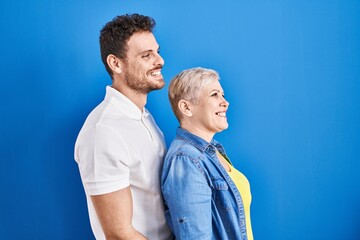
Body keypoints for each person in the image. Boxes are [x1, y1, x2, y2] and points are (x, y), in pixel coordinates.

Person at [74, 14, 173, 240]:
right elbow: (119, 234)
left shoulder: (143, 117)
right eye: (146, 56)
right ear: (115, 63)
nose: (160, 61)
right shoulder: (103, 131)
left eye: (157, 52)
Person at [161, 67, 254, 240]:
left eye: (222, 94)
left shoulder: (212, 150)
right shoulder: (186, 160)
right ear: (186, 107)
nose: (225, 102)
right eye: (214, 95)